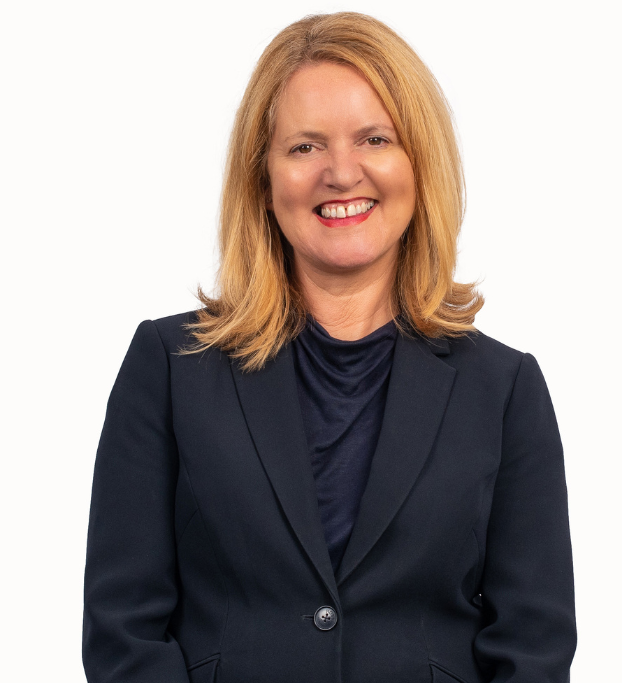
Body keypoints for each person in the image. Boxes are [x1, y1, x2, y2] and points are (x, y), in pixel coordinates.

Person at [82, 11, 576, 683]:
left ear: (418, 164)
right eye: (305, 147)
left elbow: (533, 649)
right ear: (263, 179)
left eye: (374, 138)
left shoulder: (504, 389)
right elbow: (124, 633)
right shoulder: (169, 367)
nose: (341, 173)